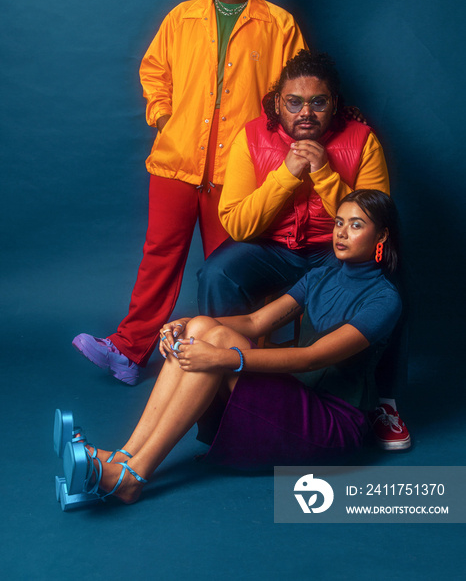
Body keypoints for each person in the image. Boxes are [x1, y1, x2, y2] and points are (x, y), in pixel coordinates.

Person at [72, 0, 306, 385]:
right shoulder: (182, 17)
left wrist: (271, 149)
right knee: (160, 254)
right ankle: (129, 350)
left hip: (237, 170)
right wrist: (163, 114)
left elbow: (296, 93)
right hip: (177, 161)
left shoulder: (279, 24)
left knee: (227, 271)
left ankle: (238, 366)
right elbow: (154, 70)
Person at [60, 190, 403, 506]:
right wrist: (185, 323)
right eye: (339, 223)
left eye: (356, 225)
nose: (341, 233)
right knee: (200, 327)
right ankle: (125, 458)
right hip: (299, 398)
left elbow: (311, 357)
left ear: (382, 235)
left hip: (334, 424)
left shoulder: (384, 299)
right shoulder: (320, 276)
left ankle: (133, 478)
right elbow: (254, 323)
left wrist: (224, 358)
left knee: (218, 342)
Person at [197, 49, 411, 451]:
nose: (305, 113)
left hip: (335, 250)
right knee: (216, 273)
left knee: (390, 275)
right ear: (277, 103)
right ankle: (219, 398)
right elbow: (240, 225)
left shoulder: (362, 141)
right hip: (271, 249)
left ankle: (385, 400)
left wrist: (324, 173)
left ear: (335, 105)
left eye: (318, 102)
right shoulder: (252, 136)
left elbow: (374, 224)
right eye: (293, 102)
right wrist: (285, 175)